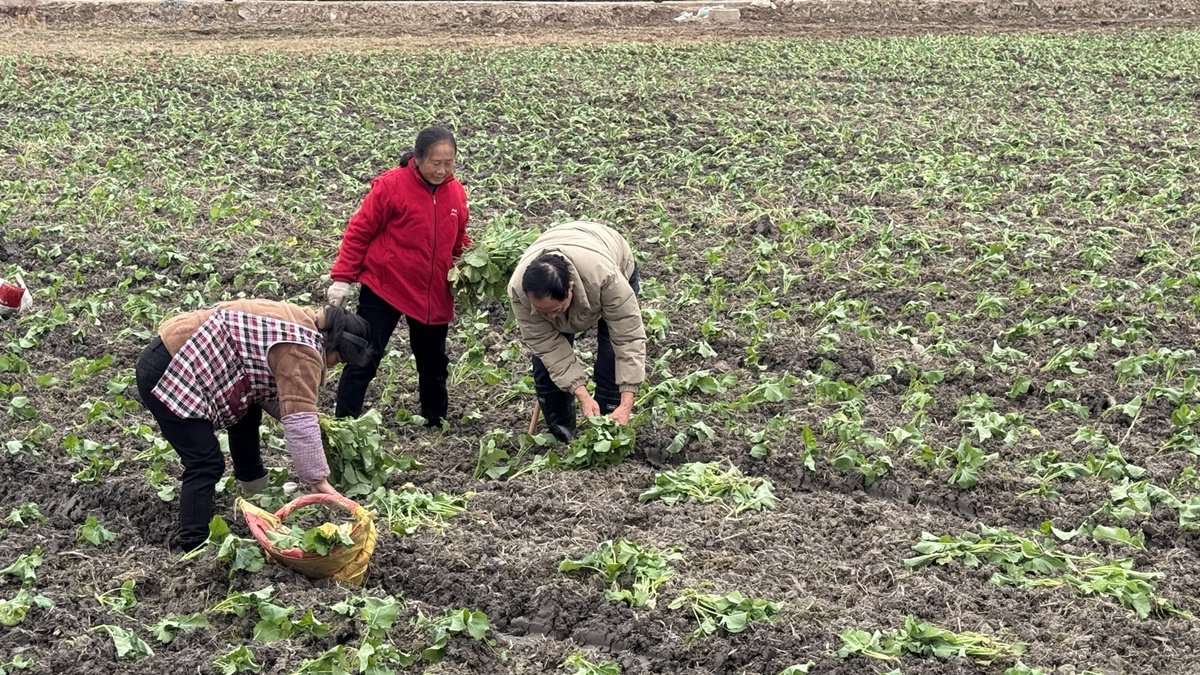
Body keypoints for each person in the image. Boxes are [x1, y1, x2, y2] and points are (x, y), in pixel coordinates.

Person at [134, 299, 372, 552]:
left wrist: (316, 424)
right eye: (340, 359)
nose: (335, 365)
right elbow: (299, 422)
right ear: (334, 343)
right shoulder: (303, 351)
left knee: (247, 411)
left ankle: (254, 489)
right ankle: (193, 544)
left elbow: (280, 398)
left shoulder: (301, 319)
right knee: (205, 462)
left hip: (171, 351)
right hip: (172, 368)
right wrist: (318, 482)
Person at [326, 126, 471, 427]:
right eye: (436, 163)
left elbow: (458, 241)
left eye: (449, 163)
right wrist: (343, 277)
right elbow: (359, 231)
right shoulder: (392, 186)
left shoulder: (456, 193)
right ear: (418, 159)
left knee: (433, 362)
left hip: (432, 291)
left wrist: (468, 264)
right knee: (366, 353)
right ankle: (344, 422)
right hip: (386, 285)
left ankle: (435, 421)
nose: (442, 170)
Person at [508, 220, 647, 441]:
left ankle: (610, 429)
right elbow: (548, 346)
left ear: (570, 288)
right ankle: (563, 437)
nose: (551, 317)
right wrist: (582, 394)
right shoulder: (519, 292)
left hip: (611, 256)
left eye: (556, 310)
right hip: (567, 243)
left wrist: (626, 402)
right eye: (543, 312)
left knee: (611, 357)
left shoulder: (606, 278)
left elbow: (627, 338)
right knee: (545, 369)